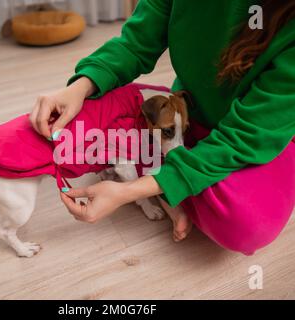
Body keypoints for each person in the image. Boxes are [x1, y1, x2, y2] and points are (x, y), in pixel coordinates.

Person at [30, 0, 295, 255]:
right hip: (188, 108)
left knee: (245, 225)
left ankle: (164, 178)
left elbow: (248, 135)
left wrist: (129, 191)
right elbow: (136, 42)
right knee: (92, 112)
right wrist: (82, 85)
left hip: (257, 132)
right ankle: (167, 176)